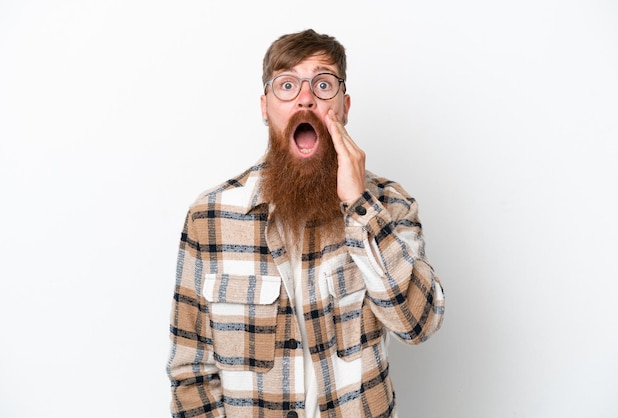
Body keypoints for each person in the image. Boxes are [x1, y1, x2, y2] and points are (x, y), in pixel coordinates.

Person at [167, 29, 445, 418]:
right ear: (265, 106)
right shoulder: (208, 218)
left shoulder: (389, 204)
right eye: (287, 84)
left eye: (323, 84)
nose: (305, 97)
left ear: (344, 107)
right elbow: (191, 374)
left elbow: (419, 324)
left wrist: (359, 206)